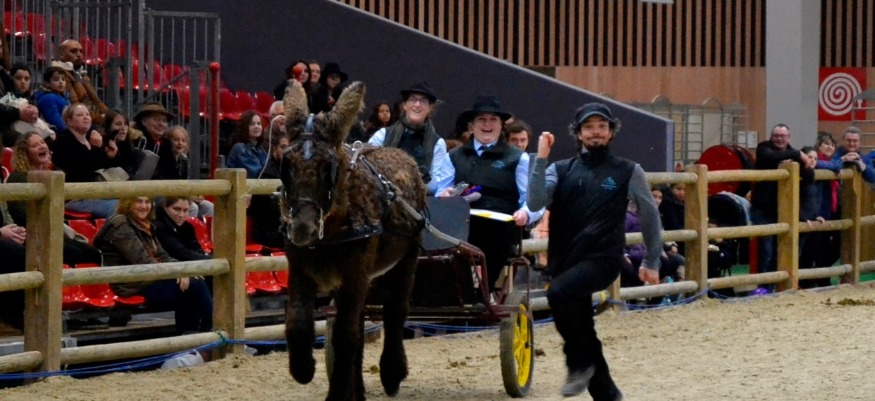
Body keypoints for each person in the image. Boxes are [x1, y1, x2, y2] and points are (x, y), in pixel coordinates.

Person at [527, 102, 662, 399]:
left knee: (557, 293)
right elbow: (535, 202)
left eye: (602, 126)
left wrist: (652, 259)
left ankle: (577, 363)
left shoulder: (629, 171)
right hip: (565, 259)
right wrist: (541, 158)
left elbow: (650, 215)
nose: (596, 132)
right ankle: (608, 394)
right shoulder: (559, 169)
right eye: (589, 127)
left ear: (611, 132)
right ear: (578, 134)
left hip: (603, 259)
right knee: (583, 329)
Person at [439, 94, 542, 290]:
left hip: (500, 228)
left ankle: (480, 293)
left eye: (493, 119)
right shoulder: (453, 156)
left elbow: (531, 199)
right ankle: (456, 292)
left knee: (493, 239)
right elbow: (442, 190)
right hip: (461, 225)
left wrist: (525, 213)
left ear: (501, 125)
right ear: (472, 125)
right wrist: (443, 195)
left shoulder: (518, 158)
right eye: (481, 119)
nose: (487, 124)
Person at [92, 196, 212, 334]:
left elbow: (163, 255)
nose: (144, 206)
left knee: (192, 281)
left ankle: (190, 336)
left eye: (147, 202)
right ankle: (211, 330)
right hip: (131, 284)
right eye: (139, 201)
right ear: (127, 202)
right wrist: (175, 272)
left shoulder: (145, 224)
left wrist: (181, 270)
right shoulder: (120, 225)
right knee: (194, 284)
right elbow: (142, 260)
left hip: (149, 278)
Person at [748, 123, 814, 295]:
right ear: (771, 137)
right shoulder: (763, 148)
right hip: (762, 208)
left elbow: (809, 176)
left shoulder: (792, 153)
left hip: (783, 209)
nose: (779, 139)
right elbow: (770, 158)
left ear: (788, 138)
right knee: (766, 248)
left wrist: (804, 163)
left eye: (782, 136)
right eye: (776, 135)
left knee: (780, 249)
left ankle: (774, 285)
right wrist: (798, 155)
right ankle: (762, 286)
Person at [368, 82, 450, 195]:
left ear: (430, 108)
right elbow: (368, 170)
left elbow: (436, 186)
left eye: (423, 101)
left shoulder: (437, 143)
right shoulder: (382, 135)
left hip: (419, 202)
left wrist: (422, 178)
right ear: (404, 105)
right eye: (412, 99)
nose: (417, 104)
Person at [50, 103, 120, 217]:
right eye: (80, 115)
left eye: (87, 114)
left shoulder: (90, 139)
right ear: (69, 121)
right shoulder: (63, 141)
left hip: (95, 193)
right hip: (75, 197)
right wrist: (96, 148)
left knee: (133, 202)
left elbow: (99, 167)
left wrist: (110, 156)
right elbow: (83, 172)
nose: (85, 117)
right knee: (121, 208)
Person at [249, 131, 290, 249]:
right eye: (283, 147)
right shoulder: (266, 174)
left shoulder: (294, 172)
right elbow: (264, 210)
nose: (287, 151)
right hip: (268, 229)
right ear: (274, 149)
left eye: (290, 148)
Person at [57, 39, 108, 124]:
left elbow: (97, 102)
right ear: (62, 55)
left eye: (81, 51)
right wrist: (103, 119)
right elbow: (75, 106)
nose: (79, 55)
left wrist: (111, 117)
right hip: (81, 121)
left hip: (93, 118)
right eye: (73, 51)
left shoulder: (82, 75)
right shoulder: (61, 75)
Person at [153, 196, 211, 262]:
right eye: (176, 209)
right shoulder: (159, 227)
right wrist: (212, 260)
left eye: (185, 210)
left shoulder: (187, 227)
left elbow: (197, 250)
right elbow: (181, 253)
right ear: (165, 207)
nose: (181, 215)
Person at [226, 111, 267, 179]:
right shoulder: (239, 148)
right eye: (252, 124)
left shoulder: (259, 149)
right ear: (244, 127)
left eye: (259, 124)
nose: (256, 126)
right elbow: (257, 174)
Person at [34, 64, 71, 131]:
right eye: (56, 79)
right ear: (47, 83)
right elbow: (56, 122)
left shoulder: (62, 95)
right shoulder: (48, 98)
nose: (61, 82)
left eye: (63, 79)